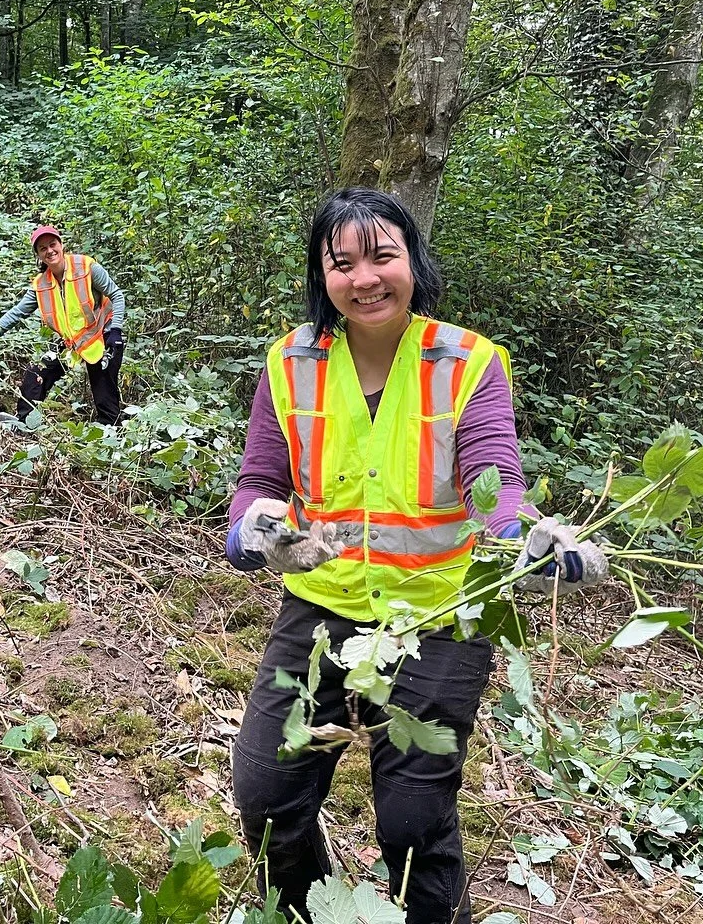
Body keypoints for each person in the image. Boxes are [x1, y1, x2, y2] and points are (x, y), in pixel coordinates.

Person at [225, 188, 606, 924]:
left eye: (382, 257)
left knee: (412, 823)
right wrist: (256, 530)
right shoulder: (289, 362)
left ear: (413, 262)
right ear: (322, 276)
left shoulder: (467, 362)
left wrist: (528, 540)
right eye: (342, 264)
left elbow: (497, 487)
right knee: (268, 798)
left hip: (441, 616)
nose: (364, 278)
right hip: (322, 608)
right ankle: (314, 911)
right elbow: (259, 485)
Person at [0, 225, 127, 426]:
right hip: (73, 342)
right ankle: (23, 422)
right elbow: (17, 312)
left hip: (103, 335)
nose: (49, 251)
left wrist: (115, 331)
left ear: (61, 245)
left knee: (105, 397)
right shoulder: (41, 284)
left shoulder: (86, 267)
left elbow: (117, 295)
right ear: (38, 255)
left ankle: (112, 433)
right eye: (42, 248)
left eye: (52, 244)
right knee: (37, 372)